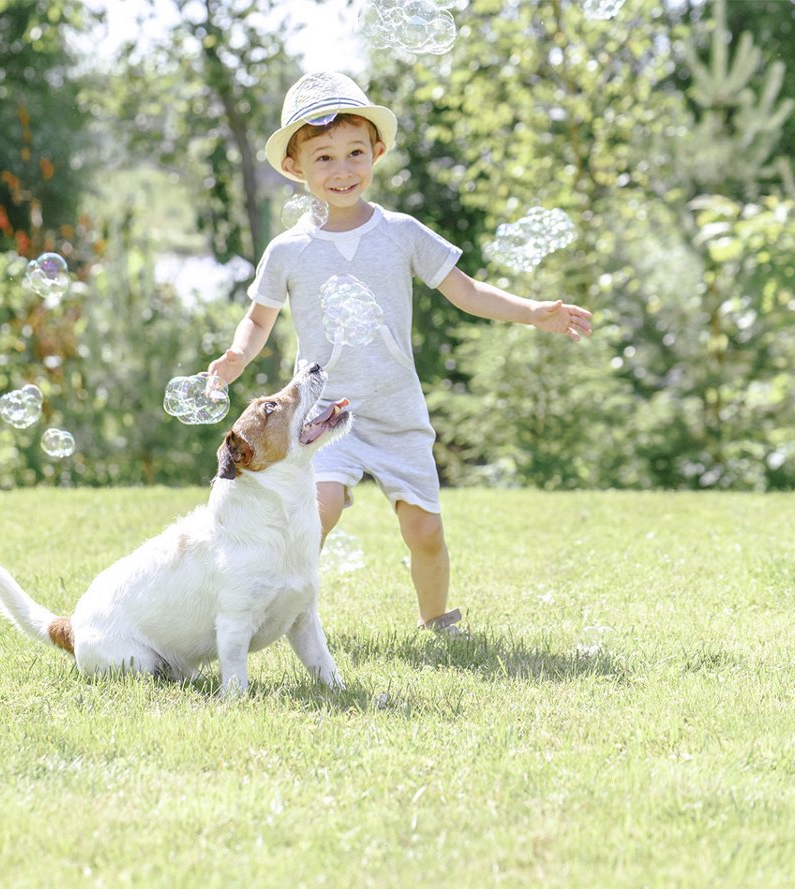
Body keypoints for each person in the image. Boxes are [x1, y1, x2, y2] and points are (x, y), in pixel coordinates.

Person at [207, 72, 592, 633]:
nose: (342, 170)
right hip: (321, 416)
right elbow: (258, 318)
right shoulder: (287, 250)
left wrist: (533, 311)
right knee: (319, 513)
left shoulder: (402, 232)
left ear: (377, 152)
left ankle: (436, 621)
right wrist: (237, 357)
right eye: (324, 158)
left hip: (396, 410)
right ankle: (278, 616)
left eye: (355, 153)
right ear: (296, 168)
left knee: (424, 531)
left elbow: (467, 291)